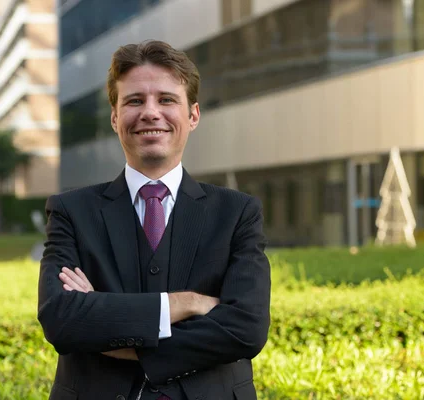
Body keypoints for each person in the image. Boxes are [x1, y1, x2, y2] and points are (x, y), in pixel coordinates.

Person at [37, 40, 271, 400]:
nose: (150, 112)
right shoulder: (71, 211)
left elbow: (246, 329)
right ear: (115, 117)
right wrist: (188, 304)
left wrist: (114, 330)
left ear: (192, 115)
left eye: (166, 99)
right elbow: (62, 319)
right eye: (134, 100)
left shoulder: (238, 213)